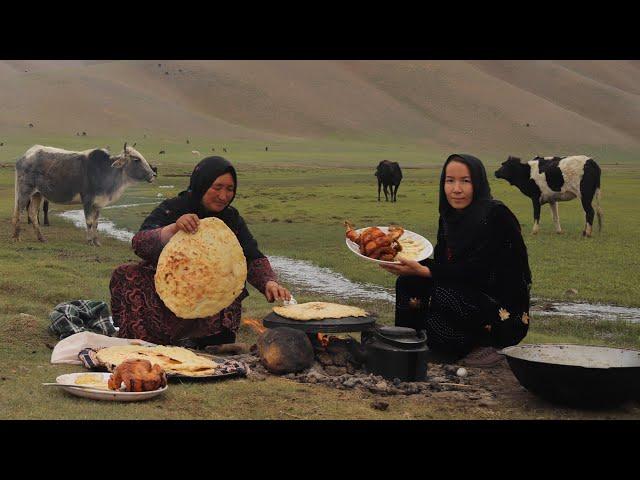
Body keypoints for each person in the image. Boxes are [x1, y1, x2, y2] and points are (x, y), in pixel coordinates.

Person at [110, 156, 291, 348]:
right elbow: (139, 243)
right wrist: (173, 229)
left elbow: (252, 256)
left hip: (208, 293)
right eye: (217, 187)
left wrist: (269, 282)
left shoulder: (231, 219)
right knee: (126, 273)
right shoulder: (174, 208)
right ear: (202, 184)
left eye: (230, 189)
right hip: (173, 287)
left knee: (226, 281)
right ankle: (144, 340)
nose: (223, 196)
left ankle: (208, 341)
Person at [380, 154, 532, 367]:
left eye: (465, 181)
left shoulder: (497, 216)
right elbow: (447, 265)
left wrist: (427, 271)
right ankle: (411, 342)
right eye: (450, 180)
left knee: (444, 293)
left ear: (478, 183)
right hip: (465, 291)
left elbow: (482, 272)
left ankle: (486, 345)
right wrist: (413, 266)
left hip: (501, 308)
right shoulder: (448, 217)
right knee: (408, 282)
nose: (456, 189)